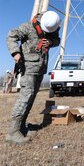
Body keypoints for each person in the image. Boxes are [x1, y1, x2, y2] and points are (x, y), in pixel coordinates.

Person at [6, 10, 61, 144]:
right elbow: (11, 35)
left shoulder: (52, 28)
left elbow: (57, 40)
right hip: (28, 68)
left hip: (41, 69)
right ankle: (13, 132)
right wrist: (15, 53)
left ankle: (22, 127)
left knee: (31, 98)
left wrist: (51, 42)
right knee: (25, 98)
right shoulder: (28, 27)